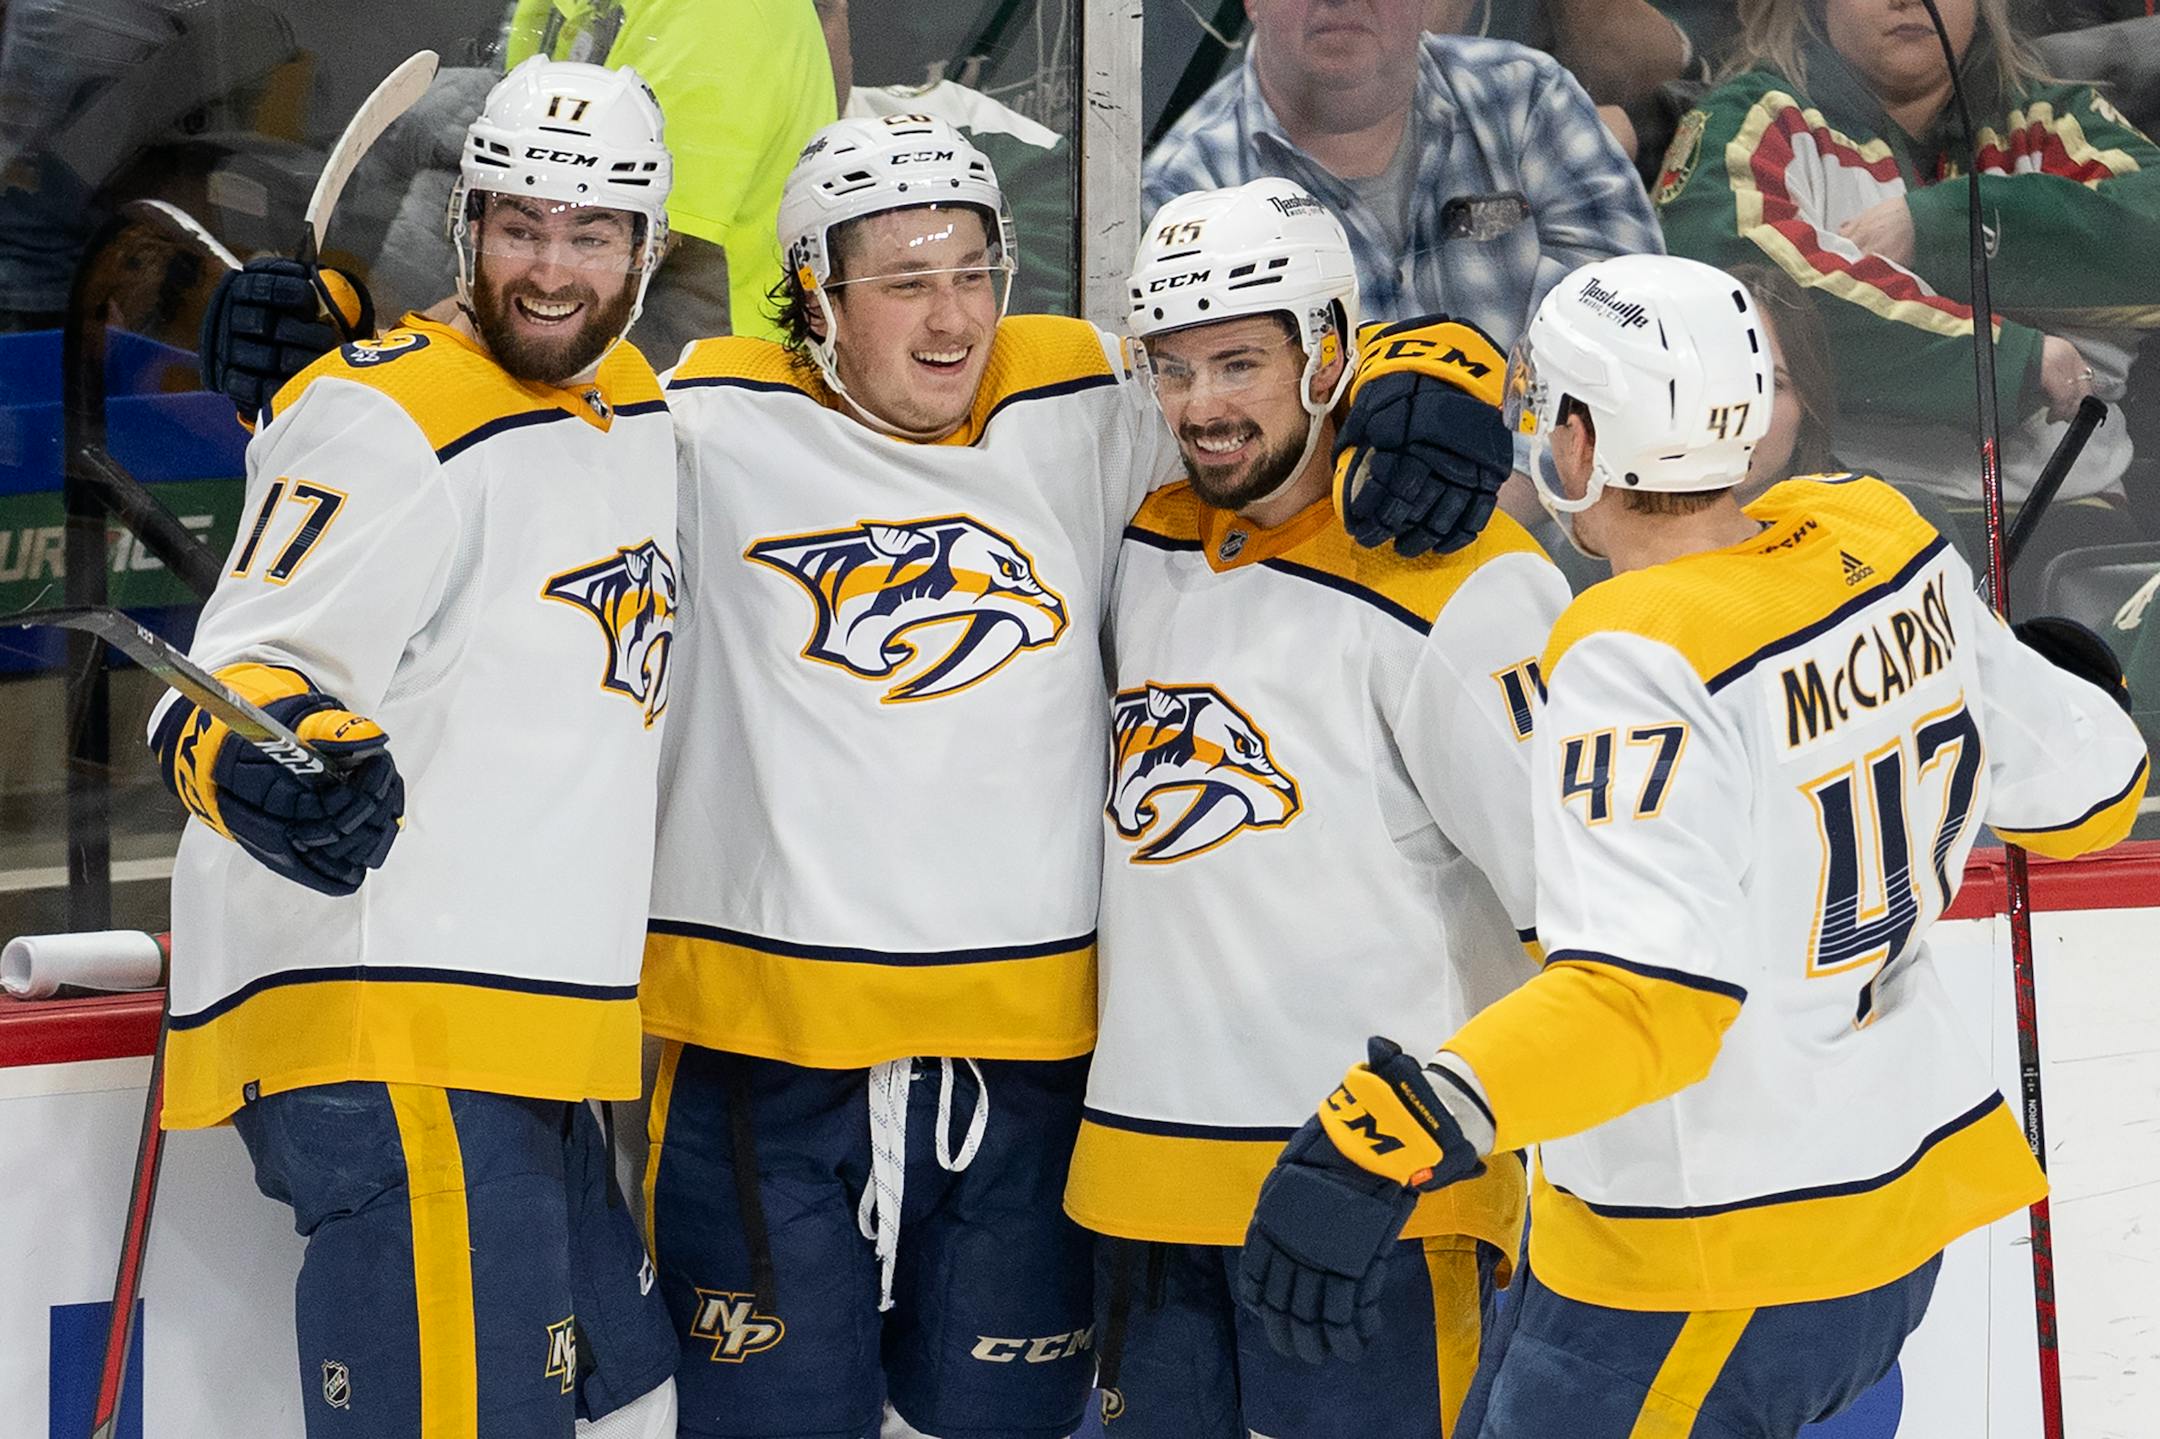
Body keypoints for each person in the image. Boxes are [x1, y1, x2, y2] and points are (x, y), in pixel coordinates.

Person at [641, 114, 1521, 1439]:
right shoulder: (703, 417)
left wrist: (1445, 366)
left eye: (974, 273)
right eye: (902, 283)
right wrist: (336, 348)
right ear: (814, 296)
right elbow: (527, 408)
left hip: (1044, 1060)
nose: (952, 322)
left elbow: (1278, 359)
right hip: (766, 1049)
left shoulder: (1086, 395)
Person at [1235, 253, 2151, 1436]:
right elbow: (2097, 791)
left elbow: (1648, 1002)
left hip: (1713, 1249)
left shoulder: (1634, 659)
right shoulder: (1879, 537)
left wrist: (1398, 1125)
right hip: (1886, 1222)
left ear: (1575, 441)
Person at [151, 58, 683, 1439]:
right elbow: (228, 678)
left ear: (648, 243)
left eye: (590, 233)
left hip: (530, 1029)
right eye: (519, 228)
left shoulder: (637, 406)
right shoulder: (380, 413)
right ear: (467, 228)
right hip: (398, 1024)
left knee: (620, 1398)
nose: (551, 269)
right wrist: (269, 760)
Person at [1066, 177, 1569, 1438]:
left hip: (1378, 1197)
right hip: (1146, 1183)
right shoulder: (1144, 535)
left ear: (1332, 350)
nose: (1203, 406)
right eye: (1172, 368)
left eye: (1241, 359)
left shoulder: (1467, 582)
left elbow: (1586, 921)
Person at [1654, 0, 2160, 579]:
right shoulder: (1750, 117)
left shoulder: (2049, 113)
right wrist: (2007, 352)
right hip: (1839, 515)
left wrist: (1954, 227)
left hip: (2071, 506)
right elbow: (1755, 299)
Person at [1143, 0, 1663, 350]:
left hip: (1559, 503)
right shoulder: (1183, 195)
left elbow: (1629, 335)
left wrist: (1498, 496)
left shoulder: (1529, 99)